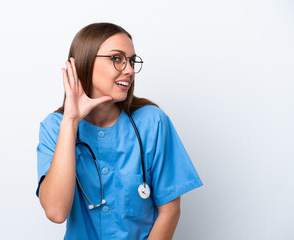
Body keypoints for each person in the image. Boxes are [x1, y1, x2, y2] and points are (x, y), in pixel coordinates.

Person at [36, 22, 203, 240]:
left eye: (132, 61)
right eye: (117, 58)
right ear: (85, 61)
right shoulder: (55, 127)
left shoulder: (153, 122)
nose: (130, 70)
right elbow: (56, 212)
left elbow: (169, 211)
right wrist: (70, 121)